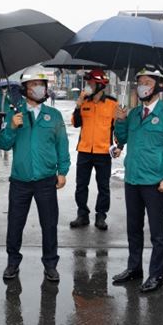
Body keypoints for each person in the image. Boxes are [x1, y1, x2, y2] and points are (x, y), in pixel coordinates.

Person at [111, 64, 163, 293]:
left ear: (159, 86)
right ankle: (134, 268)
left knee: (157, 234)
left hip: (156, 183)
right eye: (140, 82)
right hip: (132, 180)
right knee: (133, 229)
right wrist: (120, 120)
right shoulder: (134, 114)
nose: (142, 87)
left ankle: (156, 275)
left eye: (147, 82)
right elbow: (121, 140)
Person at [0, 65, 70, 283]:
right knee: (15, 223)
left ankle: (50, 264)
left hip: (46, 179)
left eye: (42, 84)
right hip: (20, 180)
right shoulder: (15, 113)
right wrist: (11, 126)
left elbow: (62, 145)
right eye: (34, 84)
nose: (39, 88)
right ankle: (13, 262)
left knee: (49, 224)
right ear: (25, 89)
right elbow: (4, 144)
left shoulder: (54, 115)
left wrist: (63, 171)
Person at [70, 69, 118, 231]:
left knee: (103, 186)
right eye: (88, 83)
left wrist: (119, 146)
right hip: (84, 150)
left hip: (103, 152)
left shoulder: (112, 104)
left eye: (91, 83)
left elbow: (118, 128)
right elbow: (76, 123)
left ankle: (101, 215)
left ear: (99, 85)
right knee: (81, 185)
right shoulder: (85, 102)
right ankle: (82, 214)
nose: (88, 86)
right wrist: (78, 104)